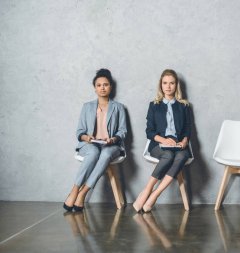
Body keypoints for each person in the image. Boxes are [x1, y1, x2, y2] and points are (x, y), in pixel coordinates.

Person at [63, 69, 127, 212]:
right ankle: (74, 191)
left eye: (105, 85)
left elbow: (123, 131)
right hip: (90, 144)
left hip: (111, 145)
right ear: (95, 88)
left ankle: (83, 193)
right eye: (99, 85)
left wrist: (113, 138)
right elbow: (79, 131)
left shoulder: (119, 107)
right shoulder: (87, 107)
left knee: (104, 154)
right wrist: (87, 137)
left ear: (111, 87)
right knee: (92, 154)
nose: (102, 88)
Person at [133, 69, 192, 212]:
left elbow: (188, 128)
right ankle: (147, 190)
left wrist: (184, 141)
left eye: (172, 83)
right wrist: (164, 140)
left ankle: (155, 195)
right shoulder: (154, 105)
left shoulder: (184, 106)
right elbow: (149, 131)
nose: (168, 86)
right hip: (158, 144)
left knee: (182, 156)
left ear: (176, 85)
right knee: (168, 155)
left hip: (179, 144)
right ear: (161, 85)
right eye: (165, 83)